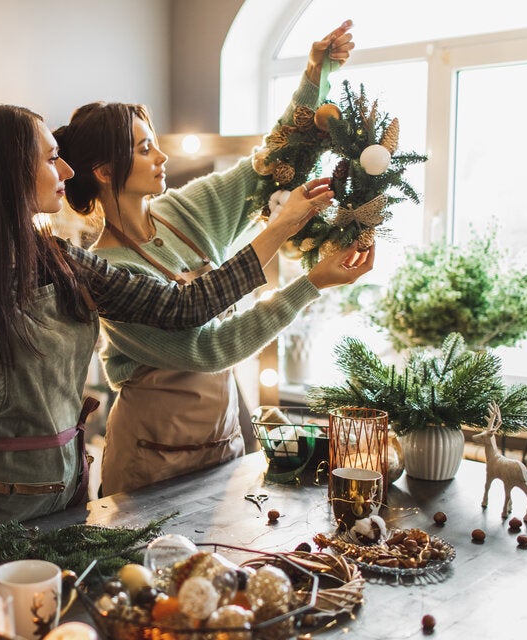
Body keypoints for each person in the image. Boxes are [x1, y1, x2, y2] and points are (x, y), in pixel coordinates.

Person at [0, 103, 362, 551]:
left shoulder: (63, 260)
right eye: (50, 159)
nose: (66, 171)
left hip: (71, 501)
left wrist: (300, 263)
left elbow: (183, 308)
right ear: (7, 172)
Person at [54, 21, 373, 495]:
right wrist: (309, 283)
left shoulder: (184, 210)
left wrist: (313, 77)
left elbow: (269, 165)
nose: (161, 156)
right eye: (144, 149)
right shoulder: (110, 273)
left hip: (221, 443)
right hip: (147, 462)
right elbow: (212, 348)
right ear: (103, 171)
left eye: (156, 141)